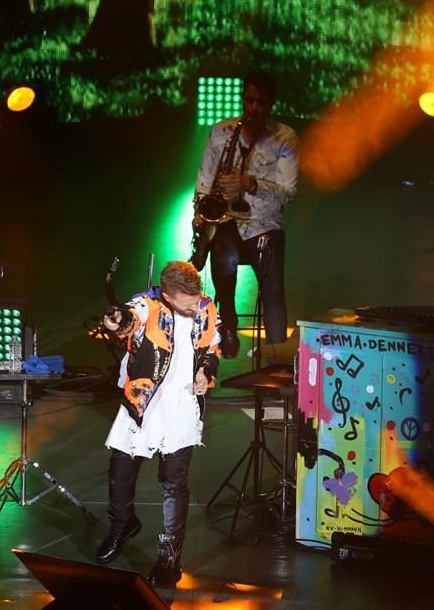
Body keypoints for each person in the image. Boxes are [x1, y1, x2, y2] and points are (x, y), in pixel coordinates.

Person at [96, 260, 221, 587]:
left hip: (180, 405)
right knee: (121, 470)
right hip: (142, 400)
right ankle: (122, 524)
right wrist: (114, 322)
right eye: (186, 300)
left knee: (173, 483)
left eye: (196, 298)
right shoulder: (148, 305)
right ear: (167, 294)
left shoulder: (206, 308)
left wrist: (207, 373)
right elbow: (126, 319)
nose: (194, 305)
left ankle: (169, 558)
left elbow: (213, 346)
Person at [194, 71, 297, 358]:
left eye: (260, 103)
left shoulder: (284, 137)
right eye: (249, 100)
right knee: (223, 258)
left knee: (273, 286)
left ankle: (277, 350)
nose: (253, 108)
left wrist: (249, 183)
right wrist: (200, 211)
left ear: (271, 104)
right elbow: (204, 176)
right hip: (226, 219)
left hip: (265, 223)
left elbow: (288, 191)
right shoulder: (221, 131)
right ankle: (227, 323)